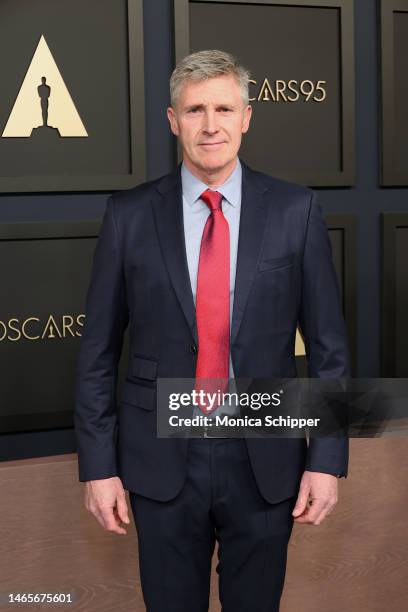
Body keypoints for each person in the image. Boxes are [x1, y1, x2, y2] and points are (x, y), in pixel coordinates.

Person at [74, 49, 350, 611]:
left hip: (265, 458)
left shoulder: (296, 211)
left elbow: (329, 350)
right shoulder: (128, 215)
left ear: (246, 117)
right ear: (173, 120)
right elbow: (97, 352)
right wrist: (99, 468)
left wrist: (325, 458)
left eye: (224, 108)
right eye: (195, 109)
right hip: (160, 460)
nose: (210, 125)